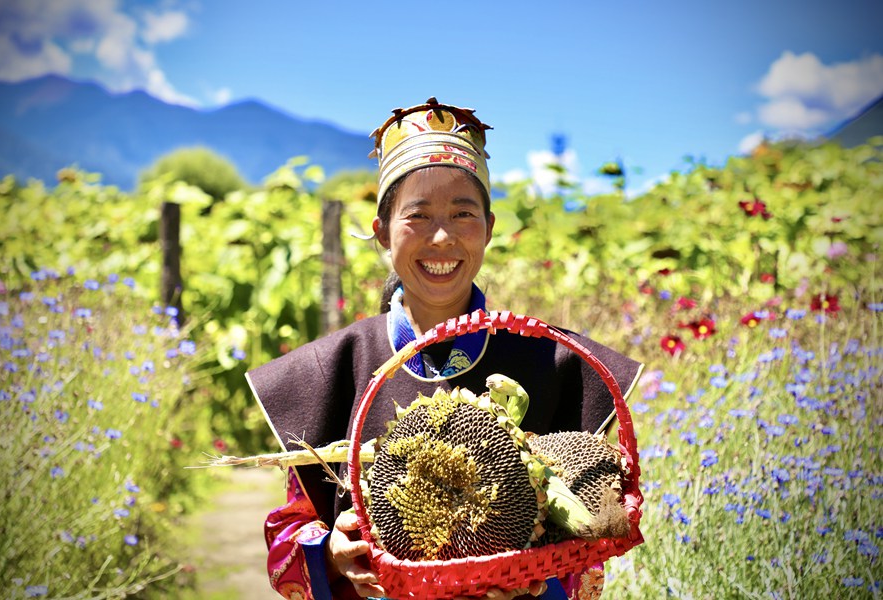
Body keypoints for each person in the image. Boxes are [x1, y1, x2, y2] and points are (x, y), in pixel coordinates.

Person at [247, 98, 644, 600]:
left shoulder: (559, 365)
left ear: (489, 229)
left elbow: (587, 557)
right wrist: (329, 554)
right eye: (418, 215)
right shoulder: (330, 372)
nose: (442, 237)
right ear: (382, 234)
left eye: (463, 214)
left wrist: (538, 588)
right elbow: (287, 538)